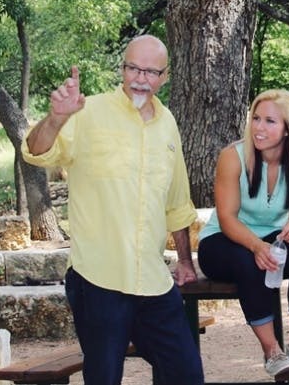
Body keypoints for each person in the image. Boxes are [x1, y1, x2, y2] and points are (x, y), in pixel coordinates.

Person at [21, 35, 204, 385]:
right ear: (122, 69)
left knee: (186, 372)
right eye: (133, 68)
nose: (140, 78)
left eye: (151, 72)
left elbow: (177, 202)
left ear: (165, 77)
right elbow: (36, 152)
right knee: (104, 378)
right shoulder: (87, 111)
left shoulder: (168, 125)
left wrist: (184, 261)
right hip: (98, 279)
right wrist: (56, 118)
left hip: (153, 281)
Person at [197, 89, 289, 377]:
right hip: (223, 241)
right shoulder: (232, 157)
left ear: (287, 129)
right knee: (248, 261)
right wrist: (257, 247)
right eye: (256, 118)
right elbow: (227, 217)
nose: (259, 127)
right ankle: (272, 350)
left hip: (272, 239)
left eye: (270, 121)